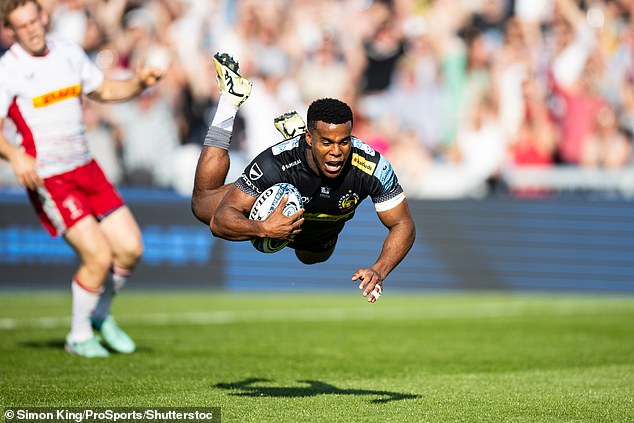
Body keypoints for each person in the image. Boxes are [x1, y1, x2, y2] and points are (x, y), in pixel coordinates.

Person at [0, 0, 163, 357]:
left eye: (34, 20)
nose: (31, 29)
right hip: (51, 178)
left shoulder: (68, 53)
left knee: (131, 248)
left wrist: (137, 82)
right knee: (98, 256)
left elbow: (103, 90)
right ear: (10, 30)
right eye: (21, 25)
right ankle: (77, 335)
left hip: (87, 167)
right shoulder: (8, 70)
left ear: (43, 16)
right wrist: (15, 155)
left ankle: (100, 316)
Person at [192, 53, 416, 303]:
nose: (336, 152)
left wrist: (379, 270)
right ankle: (230, 100)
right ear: (309, 139)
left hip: (318, 234)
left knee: (311, 257)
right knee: (202, 206)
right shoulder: (275, 163)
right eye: (326, 142)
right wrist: (262, 228)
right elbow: (219, 221)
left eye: (344, 142)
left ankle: (298, 145)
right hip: (283, 188)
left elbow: (403, 224)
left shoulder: (372, 166)